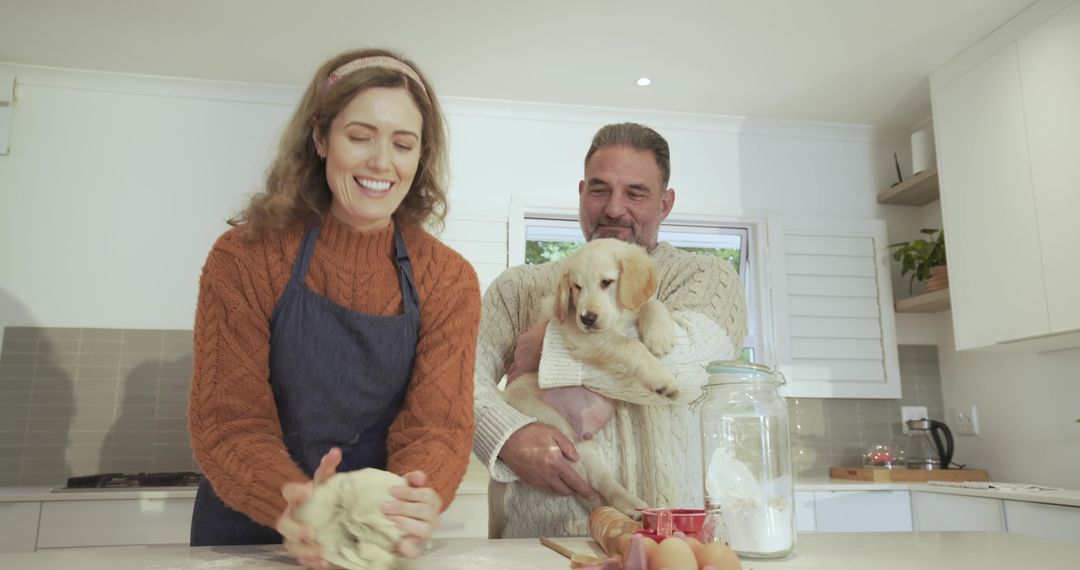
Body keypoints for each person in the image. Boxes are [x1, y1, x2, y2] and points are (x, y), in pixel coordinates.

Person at [187, 47, 481, 567]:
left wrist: (417, 494)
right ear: (320, 138)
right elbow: (230, 422)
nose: (381, 163)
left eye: (403, 144)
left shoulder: (449, 280)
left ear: (421, 156)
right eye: (359, 136)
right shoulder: (246, 258)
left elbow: (436, 427)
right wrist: (296, 504)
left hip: (376, 538)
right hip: (250, 532)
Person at [473, 122, 748, 538]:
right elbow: (461, 382)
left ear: (665, 203)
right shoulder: (516, 288)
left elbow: (688, 371)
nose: (615, 208)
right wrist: (507, 438)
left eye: (636, 192)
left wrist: (552, 348)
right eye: (600, 190)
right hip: (538, 540)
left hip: (668, 542)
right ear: (582, 193)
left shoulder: (709, 279)